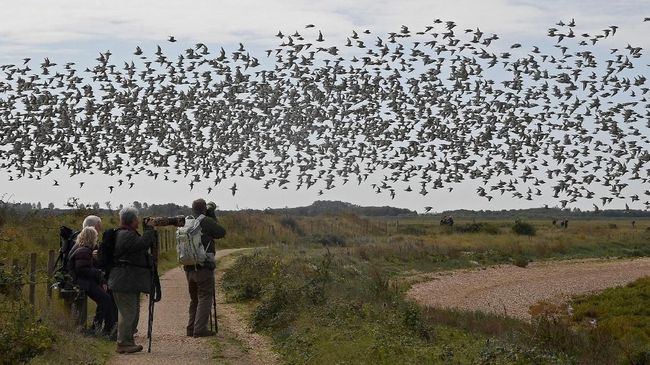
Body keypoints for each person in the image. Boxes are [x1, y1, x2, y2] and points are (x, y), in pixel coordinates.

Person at [108, 206, 157, 354]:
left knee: (131, 312)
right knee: (128, 313)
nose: (138, 221)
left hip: (126, 280)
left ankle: (128, 341)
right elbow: (141, 245)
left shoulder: (126, 234)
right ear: (131, 221)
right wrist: (149, 230)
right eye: (136, 219)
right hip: (124, 280)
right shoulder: (126, 235)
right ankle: (123, 343)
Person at [185, 198, 226, 337]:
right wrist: (212, 215)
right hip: (204, 266)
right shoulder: (206, 221)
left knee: (195, 299)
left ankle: (191, 328)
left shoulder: (187, 220)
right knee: (205, 296)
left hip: (189, 266)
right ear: (204, 209)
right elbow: (221, 232)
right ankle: (200, 329)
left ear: (192, 208)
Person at [68, 226, 116, 339]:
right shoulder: (84, 251)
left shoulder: (83, 249)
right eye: (95, 237)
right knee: (105, 300)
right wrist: (98, 273)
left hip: (86, 281)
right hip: (84, 283)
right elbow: (82, 270)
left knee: (106, 298)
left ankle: (106, 328)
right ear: (91, 238)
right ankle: (96, 328)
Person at [82, 215, 117, 339]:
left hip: (92, 278)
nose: (101, 228)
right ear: (94, 226)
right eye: (99, 225)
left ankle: (111, 327)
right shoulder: (87, 240)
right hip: (87, 280)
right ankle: (103, 328)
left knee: (110, 294)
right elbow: (85, 264)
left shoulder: (90, 240)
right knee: (107, 297)